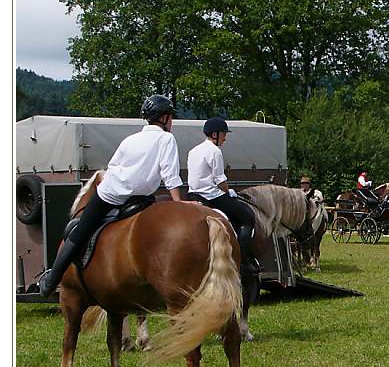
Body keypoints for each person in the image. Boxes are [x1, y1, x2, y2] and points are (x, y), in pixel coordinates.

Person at [39, 95, 184, 297]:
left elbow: (113, 166)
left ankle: (51, 279)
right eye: (171, 117)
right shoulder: (167, 139)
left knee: (81, 231)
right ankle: (53, 279)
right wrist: (178, 203)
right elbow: (170, 173)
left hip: (110, 194)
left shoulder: (130, 140)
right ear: (165, 118)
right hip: (140, 199)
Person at [187, 117, 261, 275]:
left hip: (193, 195)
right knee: (247, 217)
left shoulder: (193, 151)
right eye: (223, 134)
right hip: (211, 196)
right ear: (215, 134)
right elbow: (220, 180)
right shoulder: (214, 151)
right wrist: (229, 193)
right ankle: (242, 261)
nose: (225, 138)